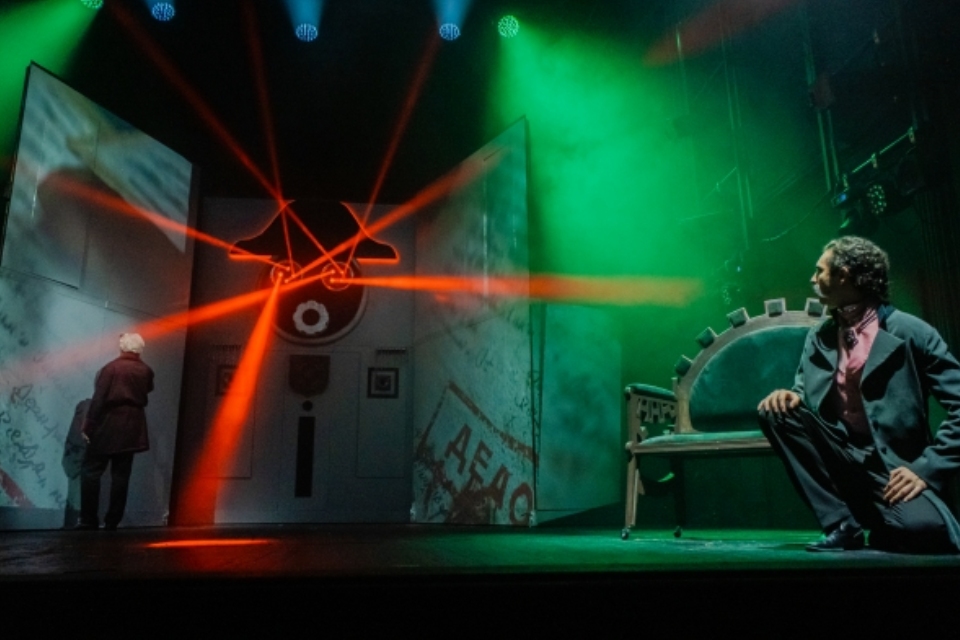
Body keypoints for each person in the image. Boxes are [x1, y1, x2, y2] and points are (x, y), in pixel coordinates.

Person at [757, 236, 960, 553]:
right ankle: (841, 524)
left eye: (820, 270)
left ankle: (879, 518)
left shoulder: (911, 331)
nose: (812, 278)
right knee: (776, 412)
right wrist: (791, 396)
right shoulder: (821, 335)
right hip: (839, 456)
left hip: (890, 466)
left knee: (926, 530)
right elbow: (805, 392)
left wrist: (926, 468)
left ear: (844, 275)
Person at [77, 333, 154, 530]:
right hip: (133, 427)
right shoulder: (146, 370)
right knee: (121, 476)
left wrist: (88, 425)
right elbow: (148, 390)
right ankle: (113, 521)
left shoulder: (111, 368)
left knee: (91, 471)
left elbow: (99, 399)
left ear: (122, 347)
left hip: (108, 425)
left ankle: (88, 519)